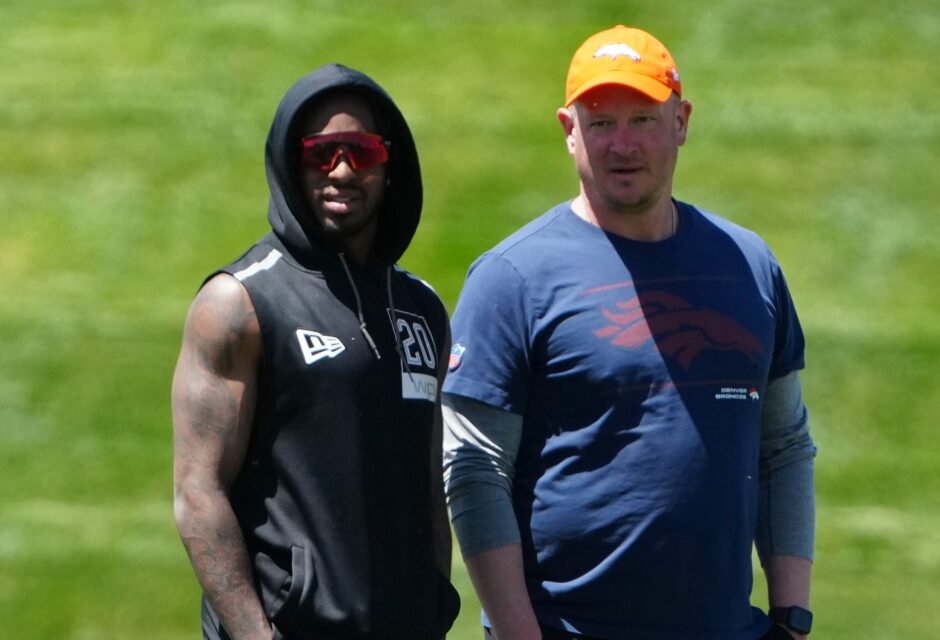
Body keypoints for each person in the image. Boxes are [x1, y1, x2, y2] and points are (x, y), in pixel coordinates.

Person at [442, 25, 816, 640]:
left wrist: (793, 617)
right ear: (569, 131)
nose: (622, 145)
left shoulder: (749, 268)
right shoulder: (512, 278)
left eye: (642, 119)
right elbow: (475, 468)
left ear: (682, 122)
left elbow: (784, 447)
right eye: (600, 123)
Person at [172, 63, 460, 640]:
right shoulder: (239, 304)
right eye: (321, 153)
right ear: (290, 161)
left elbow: (430, 487)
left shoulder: (423, 310)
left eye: (362, 151)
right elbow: (198, 491)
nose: (343, 170)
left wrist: (432, 610)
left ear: (389, 162)